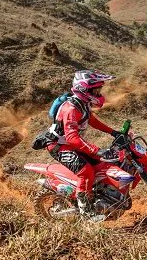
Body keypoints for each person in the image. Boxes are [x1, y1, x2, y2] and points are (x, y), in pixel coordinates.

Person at [47, 70, 121, 222]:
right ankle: (86, 211)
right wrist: (97, 150)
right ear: (84, 89)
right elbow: (72, 137)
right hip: (58, 146)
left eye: (99, 90)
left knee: (103, 163)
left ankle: (96, 194)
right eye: (96, 90)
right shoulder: (71, 109)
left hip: (70, 143)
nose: (99, 93)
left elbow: (91, 120)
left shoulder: (83, 104)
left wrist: (113, 132)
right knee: (86, 171)